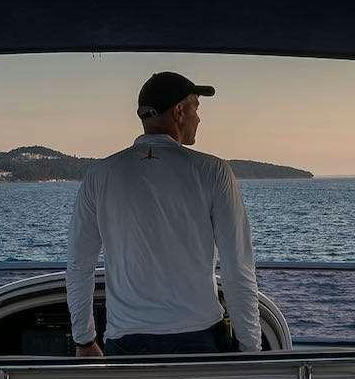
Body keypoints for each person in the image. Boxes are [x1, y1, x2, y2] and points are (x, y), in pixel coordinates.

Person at [66, 71, 263, 358]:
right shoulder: (213, 172)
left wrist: (84, 340)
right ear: (179, 112)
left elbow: (79, 264)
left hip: (126, 341)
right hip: (200, 338)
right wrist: (251, 350)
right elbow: (237, 267)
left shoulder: (100, 174)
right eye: (196, 107)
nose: (199, 119)